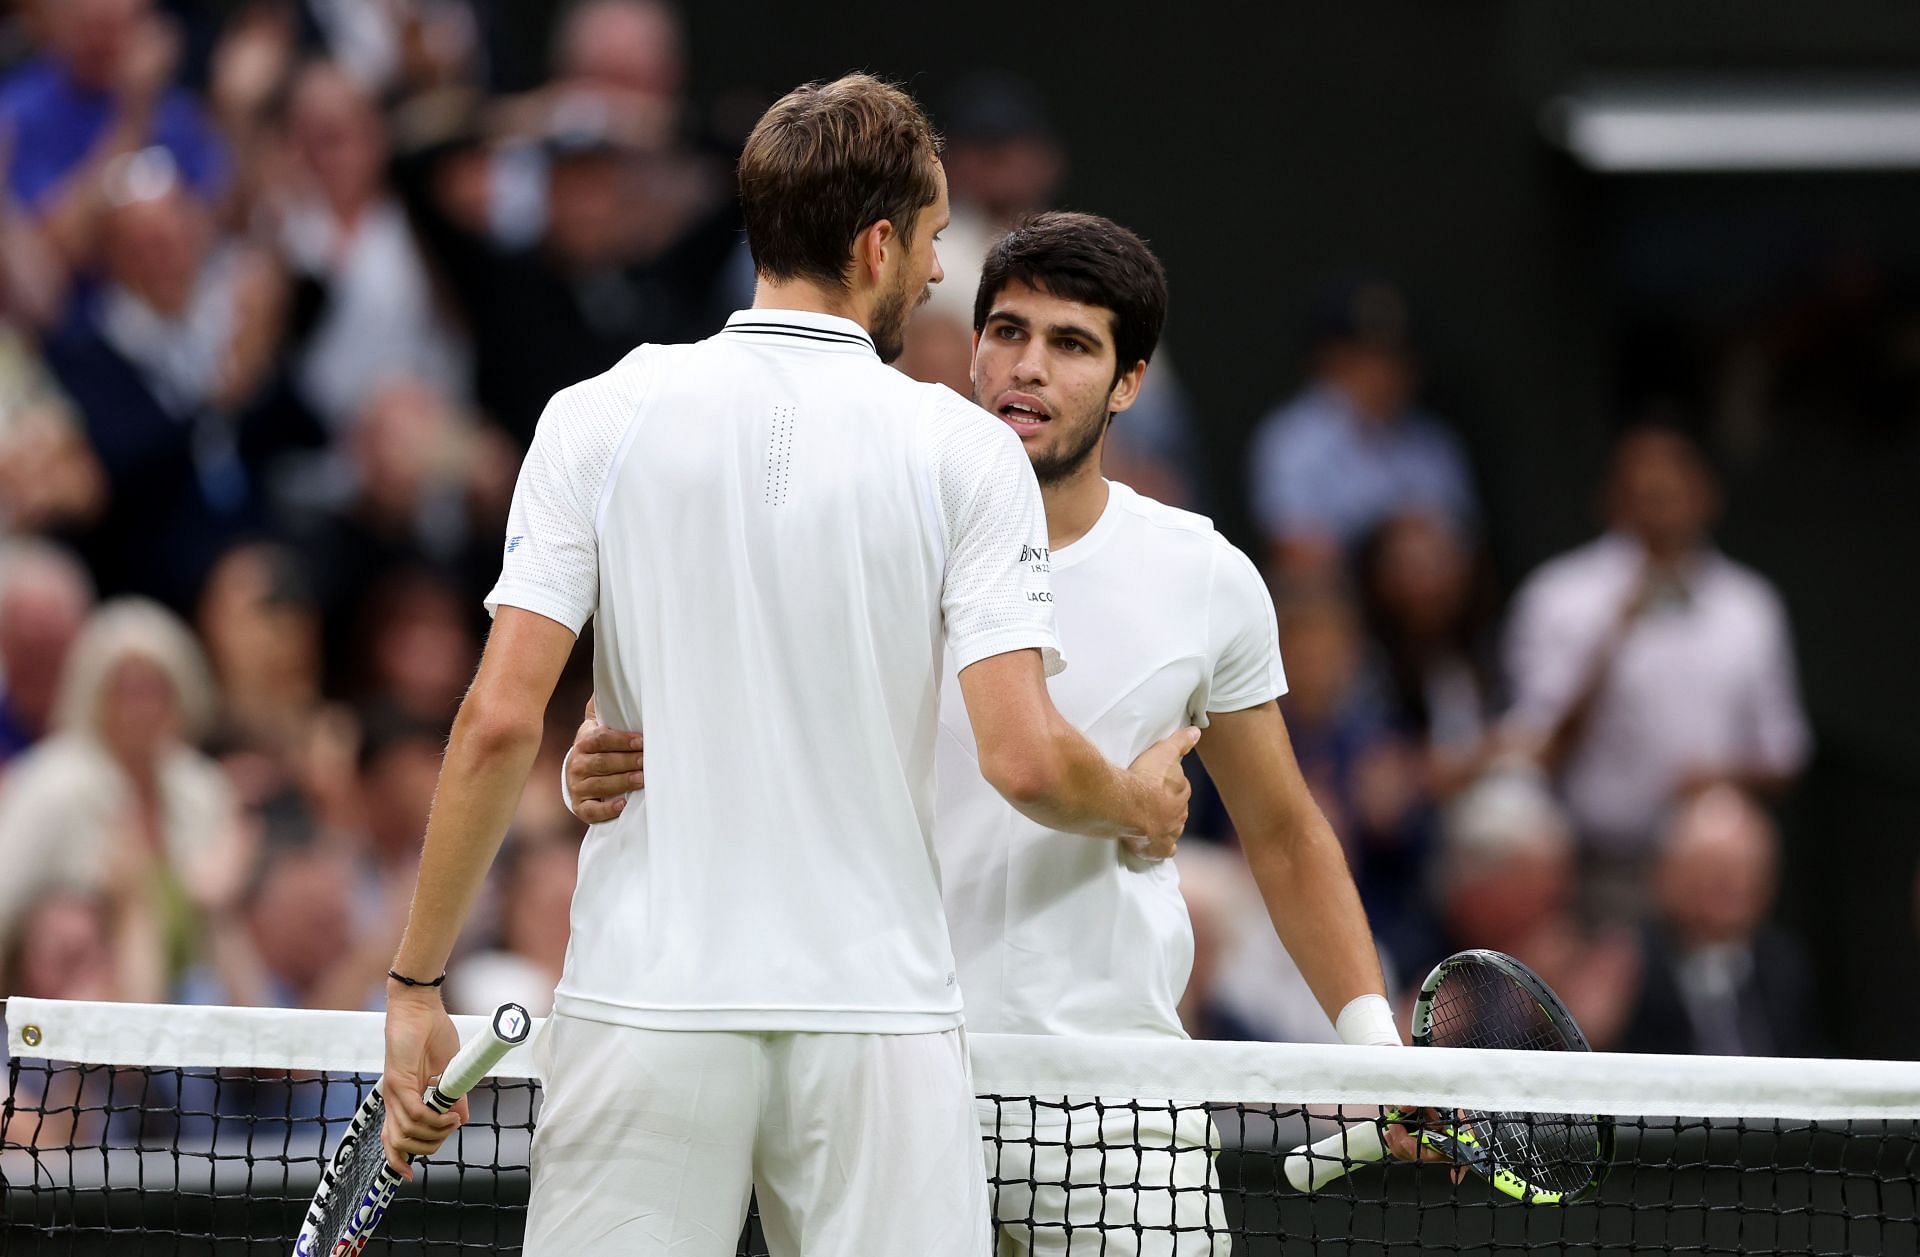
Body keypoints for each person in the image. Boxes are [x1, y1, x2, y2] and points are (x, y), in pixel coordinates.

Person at [378, 76, 1195, 1257]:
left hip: (647, 1012)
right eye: (928, 240)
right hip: (875, 1034)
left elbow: (500, 722)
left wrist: (414, 985)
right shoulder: (964, 452)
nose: (933, 274)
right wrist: (1139, 804)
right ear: (877, 244)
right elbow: (1023, 758)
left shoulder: (596, 417)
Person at [568, 211, 1434, 1254]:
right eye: (1008, 333)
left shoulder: (1206, 579)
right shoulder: (858, 536)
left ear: (1129, 383)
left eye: (1072, 345)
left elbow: (1286, 832)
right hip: (886, 1082)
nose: (1028, 368)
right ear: (969, 349)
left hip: (1114, 1104)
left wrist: (1375, 1046)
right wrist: (603, 748)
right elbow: (712, 704)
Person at [1500, 424, 1811, 901]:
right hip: (1591, 867)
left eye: (1672, 493)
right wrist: (1612, 637)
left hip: (1711, 874)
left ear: (1707, 497)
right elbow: (1534, 748)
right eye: (1643, 495)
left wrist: (1723, 776)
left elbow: (1785, 754)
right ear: (1611, 501)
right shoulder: (1557, 597)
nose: (1659, 509)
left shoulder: (1750, 607)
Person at [1248, 279, 1477, 581]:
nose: (1382, 371)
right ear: (1329, 358)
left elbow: (1466, 550)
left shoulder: (1433, 442)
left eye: (1394, 355)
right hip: (1341, 613)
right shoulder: (1291, 441)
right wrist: (1386, 556)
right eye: (1364, 356)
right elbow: (1294, 555)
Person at [1619, 785, 1823, 1058]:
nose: (1735, 886)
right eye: (1715, 872)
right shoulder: (1629, 965)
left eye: (1748, 871)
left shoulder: (1783, 967)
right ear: (1666, 876)